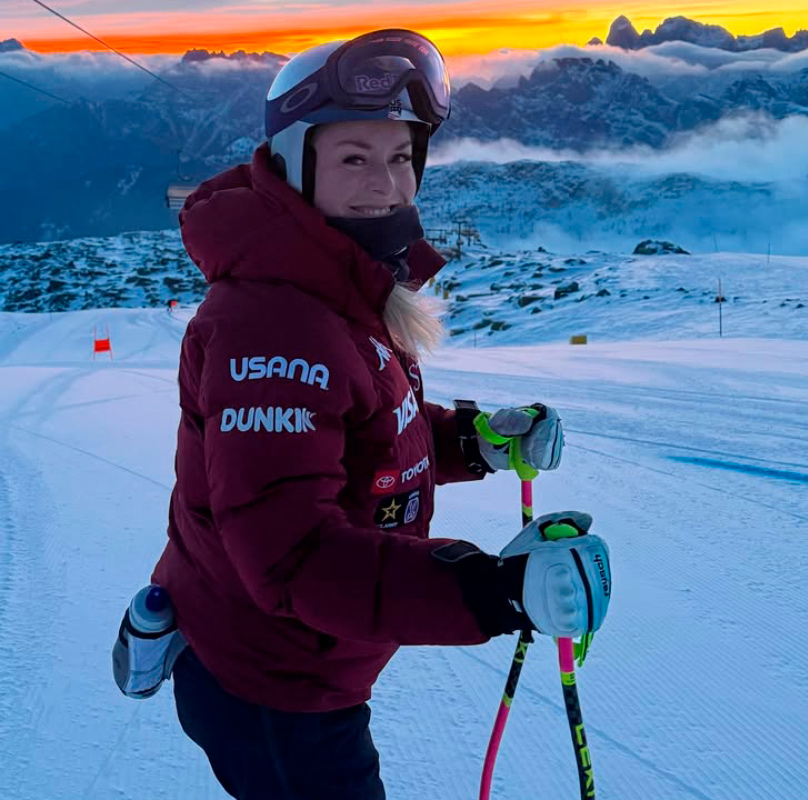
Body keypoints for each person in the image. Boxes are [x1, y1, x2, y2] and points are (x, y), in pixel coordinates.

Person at [149, 29, 612, 800]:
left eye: (401, 157)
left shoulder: (336, 278)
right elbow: (294, 556)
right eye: (354, 158)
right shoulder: (272, 325)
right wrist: (496, 590)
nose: (386, 184)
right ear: (296, 166)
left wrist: (475, 440)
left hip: (306, 663)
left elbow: (366, 434)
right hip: (273, 686)